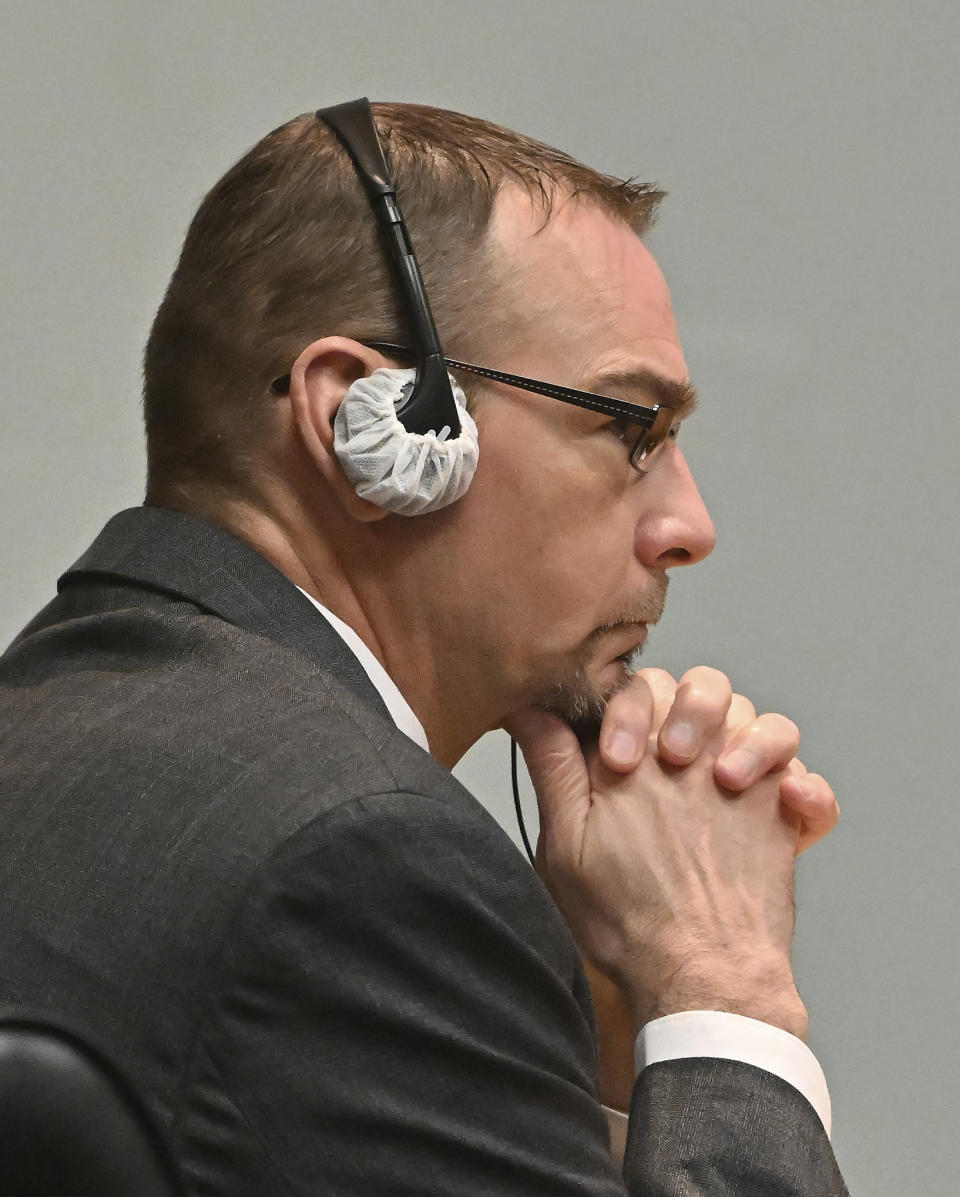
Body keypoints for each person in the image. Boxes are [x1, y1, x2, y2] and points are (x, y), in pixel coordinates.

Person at [0, 99, 848, 1194]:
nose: (690, 526)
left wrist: (604, 1014)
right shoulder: (358, 862)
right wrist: (723, 986)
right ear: (371, 422)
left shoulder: (47, 730)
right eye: (631, 428)